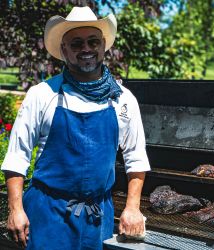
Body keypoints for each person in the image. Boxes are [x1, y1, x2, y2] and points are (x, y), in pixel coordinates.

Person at [1, 6, 151, 250]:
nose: (86, 49)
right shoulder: (42, 94)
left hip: (98, 216)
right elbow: (17, 157)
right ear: (63, 50)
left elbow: (136, 157)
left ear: (103, 46)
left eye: (93, 42)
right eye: (76, 43)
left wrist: (133, 207)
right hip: (47, 214)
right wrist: (16, 209)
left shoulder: (123, 99)